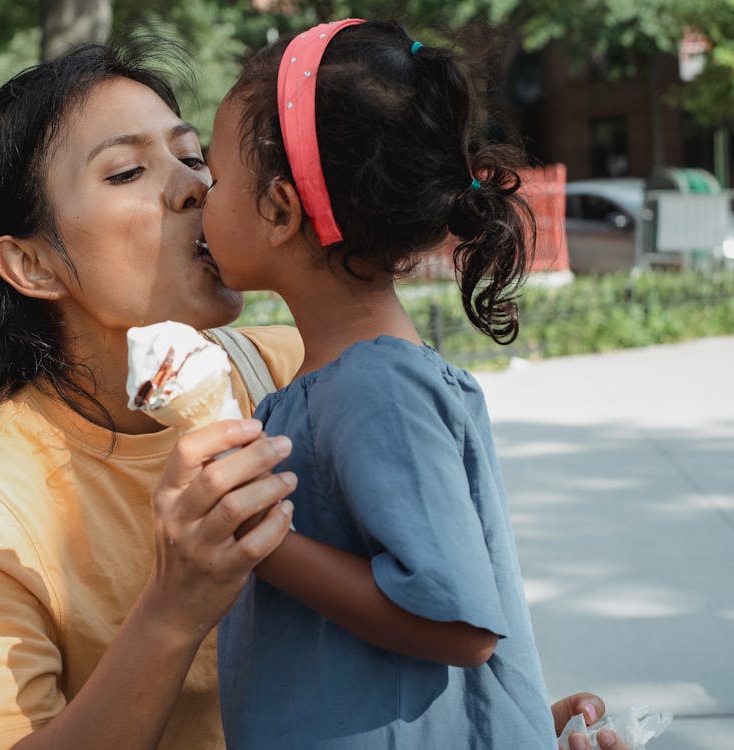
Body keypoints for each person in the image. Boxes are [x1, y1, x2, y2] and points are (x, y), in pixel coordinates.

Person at [0, 38, 627, 750]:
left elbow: (439, 618)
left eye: (192, 155)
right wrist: (172, 609)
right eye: (125, 173)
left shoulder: (296, 373)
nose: (192, 186)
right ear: (33, 263)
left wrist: (509, 725)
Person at [202, 19, 600, 749]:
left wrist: (262, 540)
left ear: (280, 209)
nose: (199, 197)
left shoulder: (373, 386)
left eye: (216, 176)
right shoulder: (335, 380)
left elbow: (460, 622)